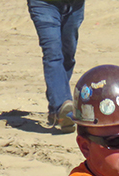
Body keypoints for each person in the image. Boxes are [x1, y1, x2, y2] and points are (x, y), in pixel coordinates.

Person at [27, 0, 85, 132]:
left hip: (75, 5)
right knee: (53, 54)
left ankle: (56, 110)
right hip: (43, 4)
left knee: (67, 55)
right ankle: (62, 105)